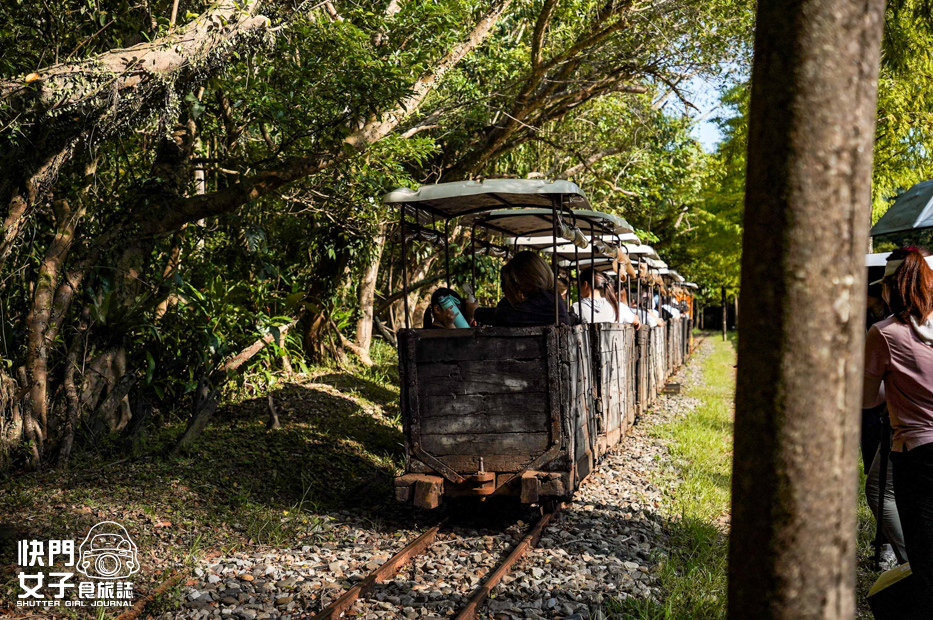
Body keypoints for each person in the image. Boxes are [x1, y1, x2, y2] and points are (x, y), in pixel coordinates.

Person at [864, 247, 933, 591]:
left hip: (916, 453)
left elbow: (865, 400)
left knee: (925, 555)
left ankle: (907, 569)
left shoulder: (885, 332)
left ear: (893, 286)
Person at [467, 251, 575, 327]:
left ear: (530, 277)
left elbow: (509, 317)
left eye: (519, 281)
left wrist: (475, 312)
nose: (519, 287)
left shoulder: (547, 299)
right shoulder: (549, 296)